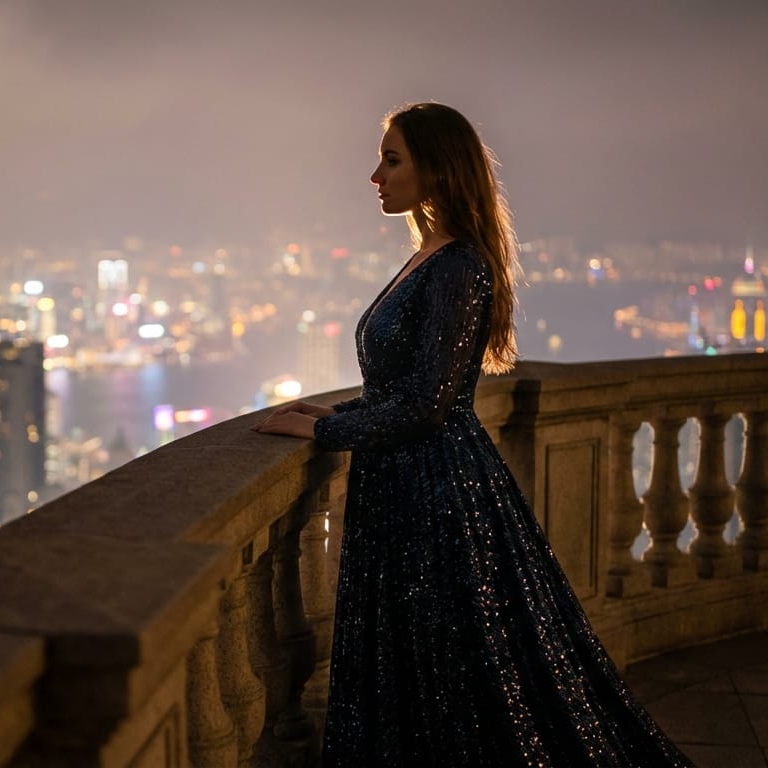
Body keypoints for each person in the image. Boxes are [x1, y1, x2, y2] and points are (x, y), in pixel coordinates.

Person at [252, 103, 692, 766]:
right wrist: (330, 413)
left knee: (450, 668)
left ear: (437, 169)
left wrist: (328, 433)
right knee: (425, 663)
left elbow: (430, 404)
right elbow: (401, 387)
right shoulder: (430, 256)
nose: (376, 175)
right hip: (403, 482)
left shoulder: (459, 266)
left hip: (434, 491)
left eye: (392, 159)